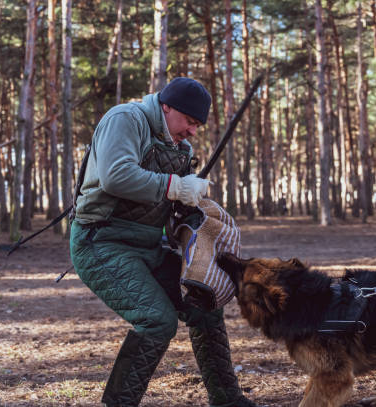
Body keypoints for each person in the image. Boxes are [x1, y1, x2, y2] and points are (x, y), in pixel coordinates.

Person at [69, 77, 255, 407]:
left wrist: (195, 208)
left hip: (150, 246)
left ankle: (228, 401)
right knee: (157, 321)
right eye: (190, 121)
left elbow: (171, 205)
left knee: (204, 304)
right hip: (100, 242)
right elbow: (115, 176)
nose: (193, 131)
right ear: (167, 107)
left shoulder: (182, 149)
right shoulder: (125, 119)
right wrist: (176, 186)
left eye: (199, 125)